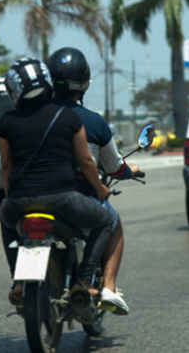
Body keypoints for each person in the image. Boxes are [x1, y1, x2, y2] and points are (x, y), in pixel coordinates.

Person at [0, 57, 114, 308]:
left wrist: (11, 197)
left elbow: (6, 166)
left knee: (6, 220)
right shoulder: (69, 117)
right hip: (62, 198)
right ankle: (83, 281)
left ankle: (18, 281)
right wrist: (100, 189)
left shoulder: (6, 122)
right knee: (105, 221)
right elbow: (86, 162)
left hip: (19, 200)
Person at [47, 47, 140, 316]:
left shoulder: (35, 115)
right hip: (77, 196)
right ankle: (104, 286)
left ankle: (19, 284)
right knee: (112, 222)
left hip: (32, 191)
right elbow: (113, 167)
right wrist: (130, 171)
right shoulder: (92, 122)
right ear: (85, 84)